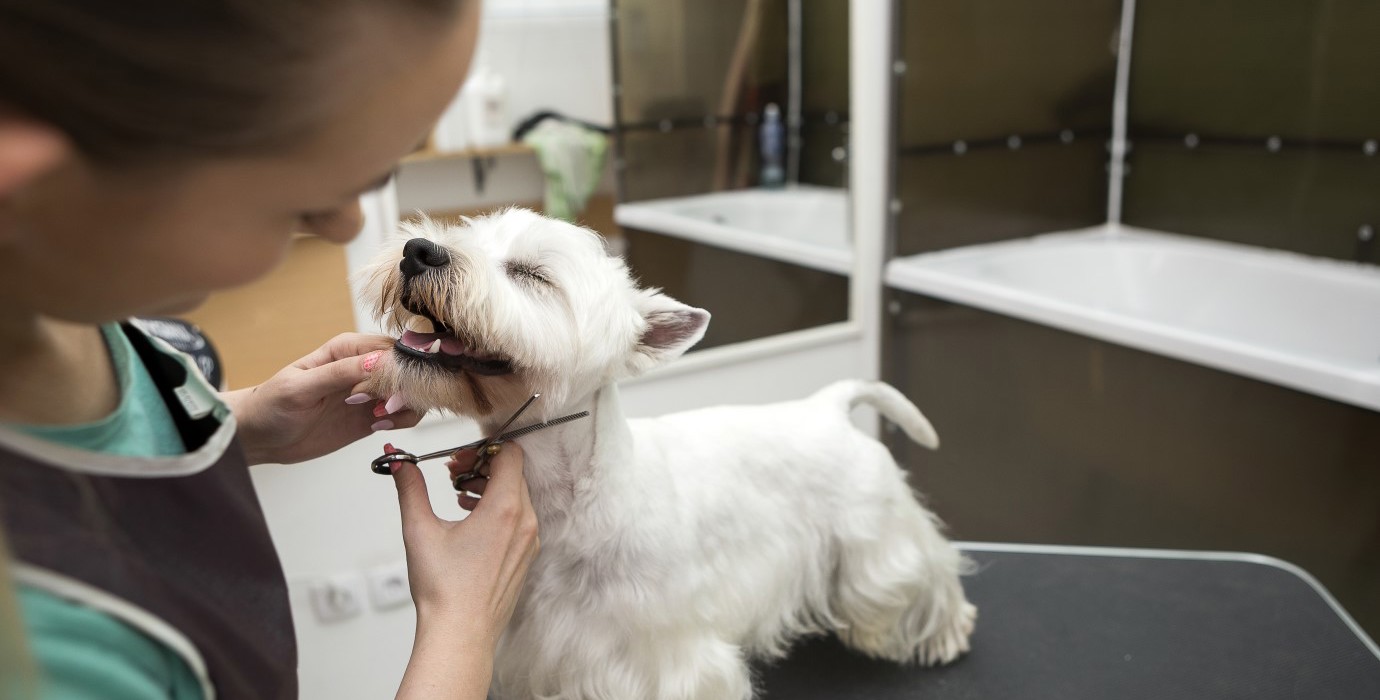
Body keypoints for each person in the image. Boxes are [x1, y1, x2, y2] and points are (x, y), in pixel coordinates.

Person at [0, 1, 540, 698]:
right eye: (304, 207)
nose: (347, 228)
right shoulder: (54, 654)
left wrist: (240, 423)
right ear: (27, 190)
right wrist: (463, 622)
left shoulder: (58, 293)